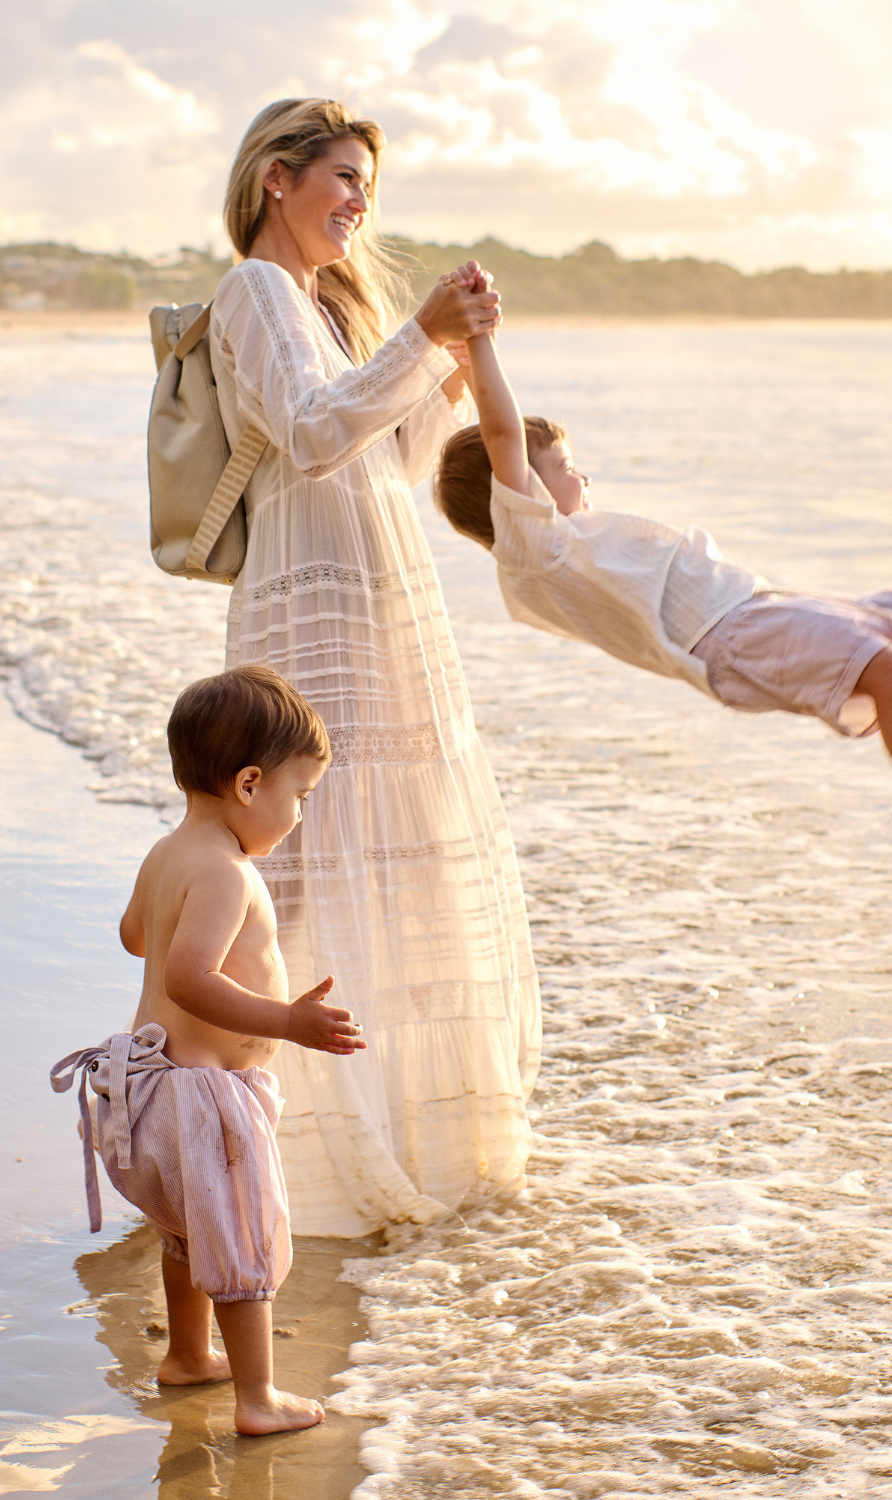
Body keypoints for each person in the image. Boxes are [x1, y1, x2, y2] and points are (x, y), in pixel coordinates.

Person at [211, 100, 540, 1237]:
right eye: (343, 178)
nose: (358, 202)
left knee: (375, 864)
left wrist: (445, 351)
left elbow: (390, 463)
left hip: (375, 596)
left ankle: (377, 1134)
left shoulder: (320, 306)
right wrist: (418, 332)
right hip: (313, 607)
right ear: (276, 182)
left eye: (367, 186)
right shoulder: (252, 289)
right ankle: (238, 1139)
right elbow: (307, 434)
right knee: (302, 870)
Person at [434, 295, 892, 888]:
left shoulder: (565, 541)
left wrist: (470, 378)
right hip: (733, 638)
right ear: (519, 490)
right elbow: (502, 435)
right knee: (889, 671)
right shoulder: (540, 551)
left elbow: (500, 436)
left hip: (764, 607)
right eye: (564, 466)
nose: (582, 476)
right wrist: (480, 341)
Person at [50, 665, 366, 1434]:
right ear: (251, 784)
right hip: (202, 1100)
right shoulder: (228, 873)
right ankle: (257, 1399)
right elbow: (192, 981)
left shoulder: (169, 852)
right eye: (300, 795)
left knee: (191, 1235)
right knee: (242, 1243)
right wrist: (285, 1020)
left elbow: (134, 938)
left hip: (144, 1089)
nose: (297, 815)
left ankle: (189, 1355)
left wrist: (174, 927)